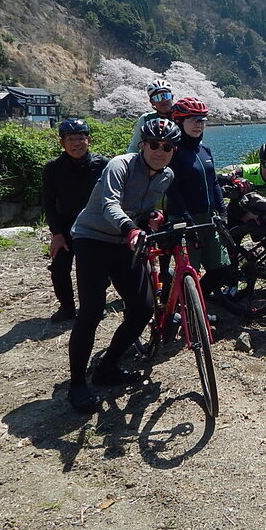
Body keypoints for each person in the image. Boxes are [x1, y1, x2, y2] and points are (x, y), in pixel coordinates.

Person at [67, 117, 180, 413]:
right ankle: (77, 385)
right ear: (142, 145)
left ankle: (106, 368)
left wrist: (149, 217)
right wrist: (131, 227)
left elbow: (143, 207)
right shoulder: (121, 165)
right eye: (154, 144)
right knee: (92, 310)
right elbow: (109, 204)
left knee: (143, 308)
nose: (160, 151)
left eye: (167, 147)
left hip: (125, 241)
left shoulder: (166, 176)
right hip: (92, 237)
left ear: (174, 151)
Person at [164, 97, 233, 300]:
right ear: (179, 122)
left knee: (220, 268)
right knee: (188, 271)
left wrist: (222, 211)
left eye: (202, 120)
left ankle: (194, 305)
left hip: (209, 218)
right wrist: (186, 218)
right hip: (183, 219)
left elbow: (214, 182)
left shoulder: (204, 150)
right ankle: (174, 306)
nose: (199, 125)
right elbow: (172, 189)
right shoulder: (173, 151)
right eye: (193, 120)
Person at [40, 119, 108, 322]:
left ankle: (94, 306)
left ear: (89, 140)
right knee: (59, 268)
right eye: (70, 139)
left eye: (80, 138)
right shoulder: (53, 168)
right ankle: (67, 307)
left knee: (95, 269)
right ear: (62, 142)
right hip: (66, 224)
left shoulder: (103, 164)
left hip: (95, 225)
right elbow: (49, 203)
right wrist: (57, 234)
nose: (76, 143)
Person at [218, 139, 266, 226]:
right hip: (240, 213)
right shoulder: (246, 171)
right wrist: (235, 179)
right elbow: (216, 179)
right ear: (260, 163)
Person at [127, 78, 175, 153]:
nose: (163, 100)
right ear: (151, 102)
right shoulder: (146, 119)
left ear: (172, 97)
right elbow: (134, 147)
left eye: (166, 96)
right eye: (157, 97)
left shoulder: (182, 116)